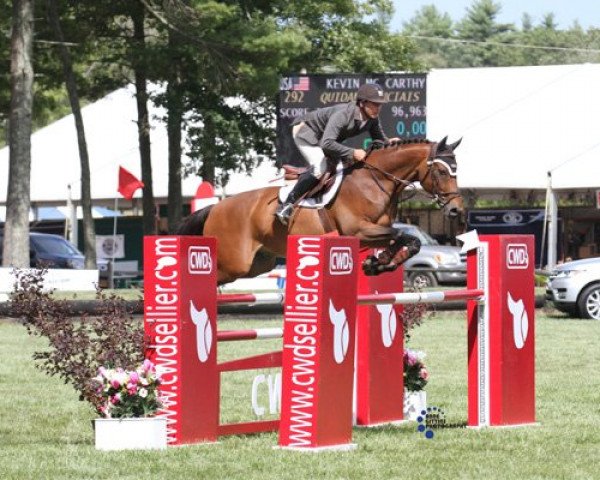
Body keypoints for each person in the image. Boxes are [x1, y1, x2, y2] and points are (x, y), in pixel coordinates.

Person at [275, 83, 396, 225]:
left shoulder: (372, 119)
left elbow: (380, 139)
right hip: (306, 132)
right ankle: (287, 205)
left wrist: (391, 143)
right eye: (375, 104)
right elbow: (327, 143)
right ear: (362, 103)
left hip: (324, 138)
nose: (378, 108)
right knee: (320, 168)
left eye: (380, 104)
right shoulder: (343, 114)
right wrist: (352, 152)